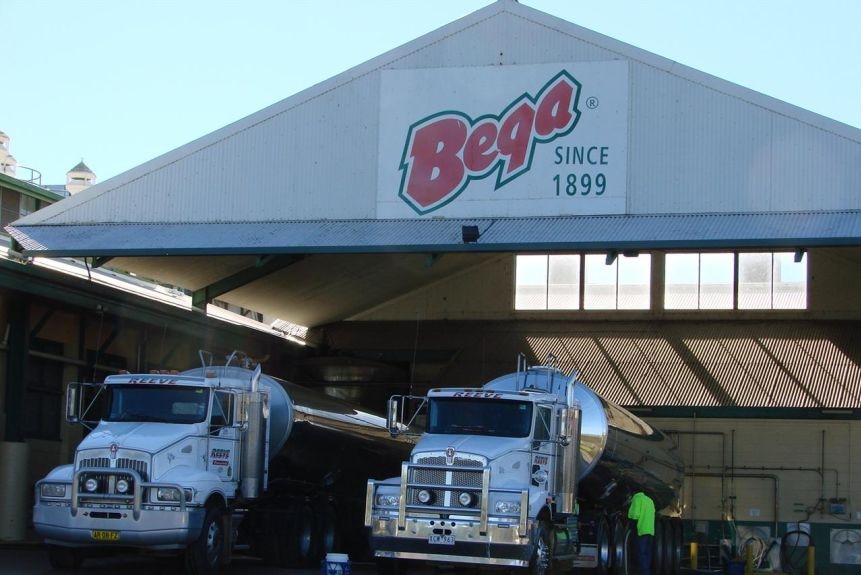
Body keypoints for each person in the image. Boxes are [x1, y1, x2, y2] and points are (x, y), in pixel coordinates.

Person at [627, 491, 656, 575]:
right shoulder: (650, 500)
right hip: (650, 531)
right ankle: (647, 572)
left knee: (640, 555)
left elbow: (634, 515)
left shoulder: (637, 499)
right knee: (647, 555)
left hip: (641, 531)